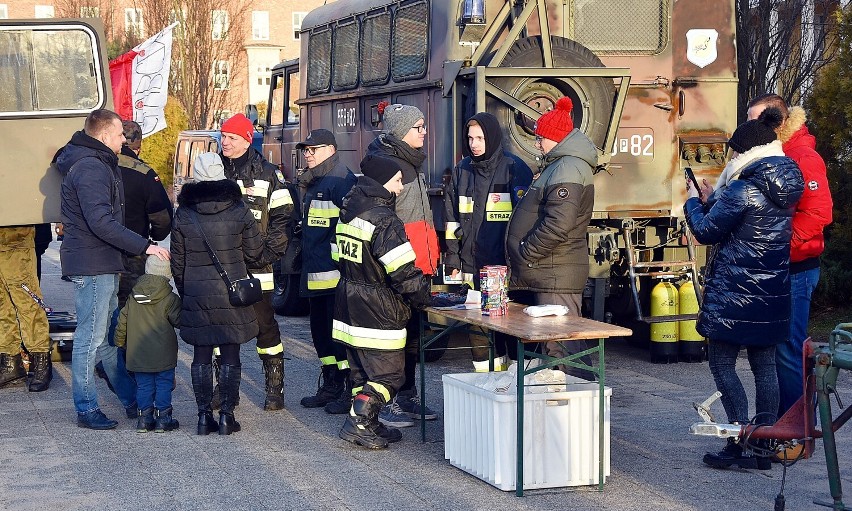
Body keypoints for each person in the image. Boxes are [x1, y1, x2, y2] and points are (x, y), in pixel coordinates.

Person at [684, 108, 804, 470]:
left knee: (722, 364)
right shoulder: (787, 182)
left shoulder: (743, 187)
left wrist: (692, 200)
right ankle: (763, 446)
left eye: (735, 151)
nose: (732, 157)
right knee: (764, 367)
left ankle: (738, 439)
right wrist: (714, 201)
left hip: (736, 292)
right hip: (772, 292)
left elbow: (705, 231)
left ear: (747, 152)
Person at [56, 109, 171, 430]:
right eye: (120, 134)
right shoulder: (92, 167)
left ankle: (130, 399)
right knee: (89, 339)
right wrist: (145, 246)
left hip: (102, 262)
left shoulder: (95, 163)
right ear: (105, 135)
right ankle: (86, 407)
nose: (125, 139)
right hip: (93, 264)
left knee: (105, 340)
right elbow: (101, 222)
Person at [333, 154, 432, 449]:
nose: (401, 188)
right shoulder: (384, 219)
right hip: (378, 309)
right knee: (389, 376)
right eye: (398, 181)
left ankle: (369, 421)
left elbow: (338, 257)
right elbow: (401, 271)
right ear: (383, 182)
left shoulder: (348, 210)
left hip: (349, 303)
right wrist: (427, 297)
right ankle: (360, 424)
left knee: (362, 372)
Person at [745, 94, 834, 419]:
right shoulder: (774, 154)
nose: (753, 128)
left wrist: (778, 245)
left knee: (788, 349)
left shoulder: (802, 156)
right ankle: (782, 423)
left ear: (779, 122)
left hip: (795, 268)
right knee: (775, 348)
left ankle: (796, 428)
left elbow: (819, 213)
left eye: (759, 121)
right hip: (778, 268)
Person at [171, 152, 266, 436]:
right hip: (231, 291)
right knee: (230, 353)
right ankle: (227, 415)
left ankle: (203, 417)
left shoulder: (185, 212)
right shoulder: (238, 209)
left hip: (197, 292)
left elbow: (177, 259)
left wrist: (186, 288)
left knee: (200, 354)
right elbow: (254, 252)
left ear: (196, 177)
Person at [504, 97, 596, 380]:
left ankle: (578, 408)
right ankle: (569, 405)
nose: (537, 143)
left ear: (555, 138)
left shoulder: (567, 168)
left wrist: (526, 252)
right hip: (552, 270)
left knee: (563, 346)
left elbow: (559, 224)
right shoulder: (562, 165)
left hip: (555, 271)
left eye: (540, 138)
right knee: (558, 344)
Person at [365, 103, 440, 428]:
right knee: (393, 339)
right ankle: (388, 402)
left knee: (411, 337)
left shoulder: (411, 162)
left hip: (417, 264)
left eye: (424, 126)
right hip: (398, 266)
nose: (424, 132)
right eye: (418, 127)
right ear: (399, 131)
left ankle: (406, 395)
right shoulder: (390, 166)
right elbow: (386, 220)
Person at [443, 112, 532, 371]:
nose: (474, 144)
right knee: (479, 334)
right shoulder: (462, 171)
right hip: (472, 267)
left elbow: (524, 221)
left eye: (480, 138)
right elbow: (451, 220)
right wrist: (452, 257)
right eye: (470, 138)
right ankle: (487, 381)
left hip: (506, 269)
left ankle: (515, 385)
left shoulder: (515, 169)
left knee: (510, 330)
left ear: (492, 137)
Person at [219, 113, 295, 411]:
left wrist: (266, 255)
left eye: (232, 137)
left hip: (257, 268)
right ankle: (222, 390)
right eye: (223, 136)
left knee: (265, 327)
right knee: (221, 329)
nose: (225, 142)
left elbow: (283, 218)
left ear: (247, 140)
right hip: (222, 267)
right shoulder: (214, 169)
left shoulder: (267, 173)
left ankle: (274, 388)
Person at [294, 129, 358, 409]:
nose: (308, 154)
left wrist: (336, 264)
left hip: (334, 277)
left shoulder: (341, 181)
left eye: (313, 149)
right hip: (315, 274)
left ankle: (348, 387)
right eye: (305, 150)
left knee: (339, 337)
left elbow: (347, 230)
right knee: (320, 334)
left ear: (331, 150)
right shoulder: (314, 180)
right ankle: (331, 383)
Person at [114, 255, 181, 433]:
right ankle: (163, 418)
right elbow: (179, 320)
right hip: (163, 352)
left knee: (143, 385)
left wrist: (119, 341)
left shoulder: (133, 297)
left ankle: (144, 419)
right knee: (164, 384)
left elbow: (122, 321)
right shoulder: (170, 298)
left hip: (138, 352)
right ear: (168, 274)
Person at [115, 120, 174, 308]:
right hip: (134, 252)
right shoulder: (144, 173)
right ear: (138, 147)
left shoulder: (96, 166)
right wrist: (156, 236)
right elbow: (162, 216)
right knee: (130, 306)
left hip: (100, 252)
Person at [0, 226, 52, 391]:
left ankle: (41, 364)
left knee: (28, 304)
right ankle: (11, 364)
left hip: (16, 238)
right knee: (2, 307)